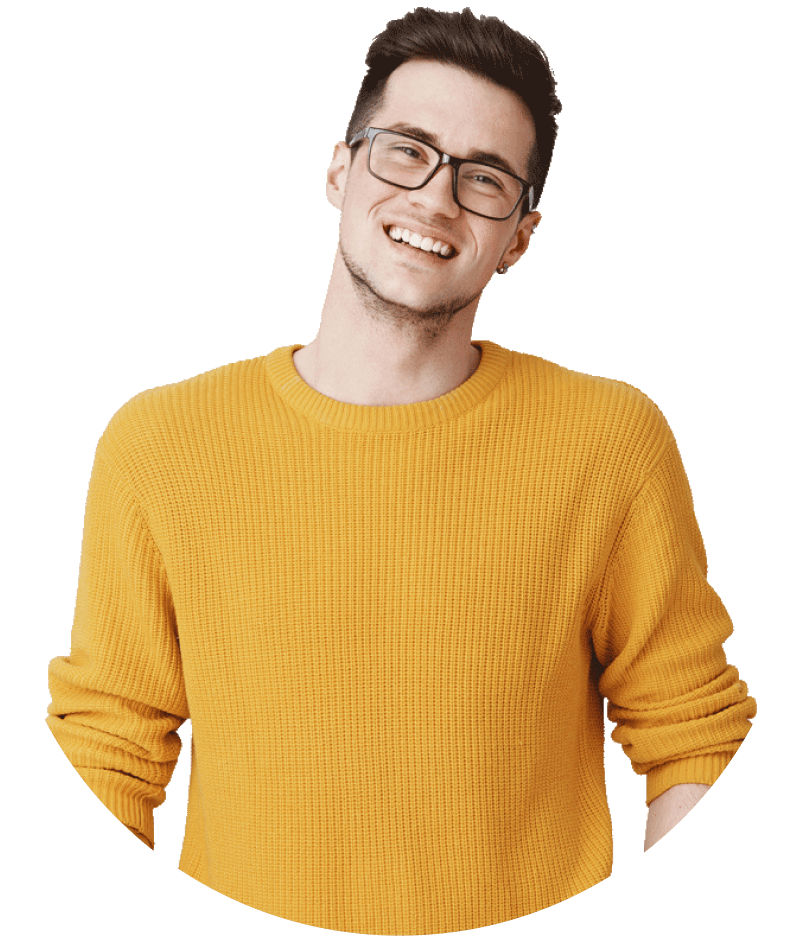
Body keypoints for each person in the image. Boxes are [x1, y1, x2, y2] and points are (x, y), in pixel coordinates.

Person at [46, 9, 755, 933]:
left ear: (521, 237)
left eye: (485, 178)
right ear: (340, 170)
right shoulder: (157, 442)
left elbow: (692, 732)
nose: (436, 199)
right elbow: (111, 745)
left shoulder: (610, 441)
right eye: (406, 151)